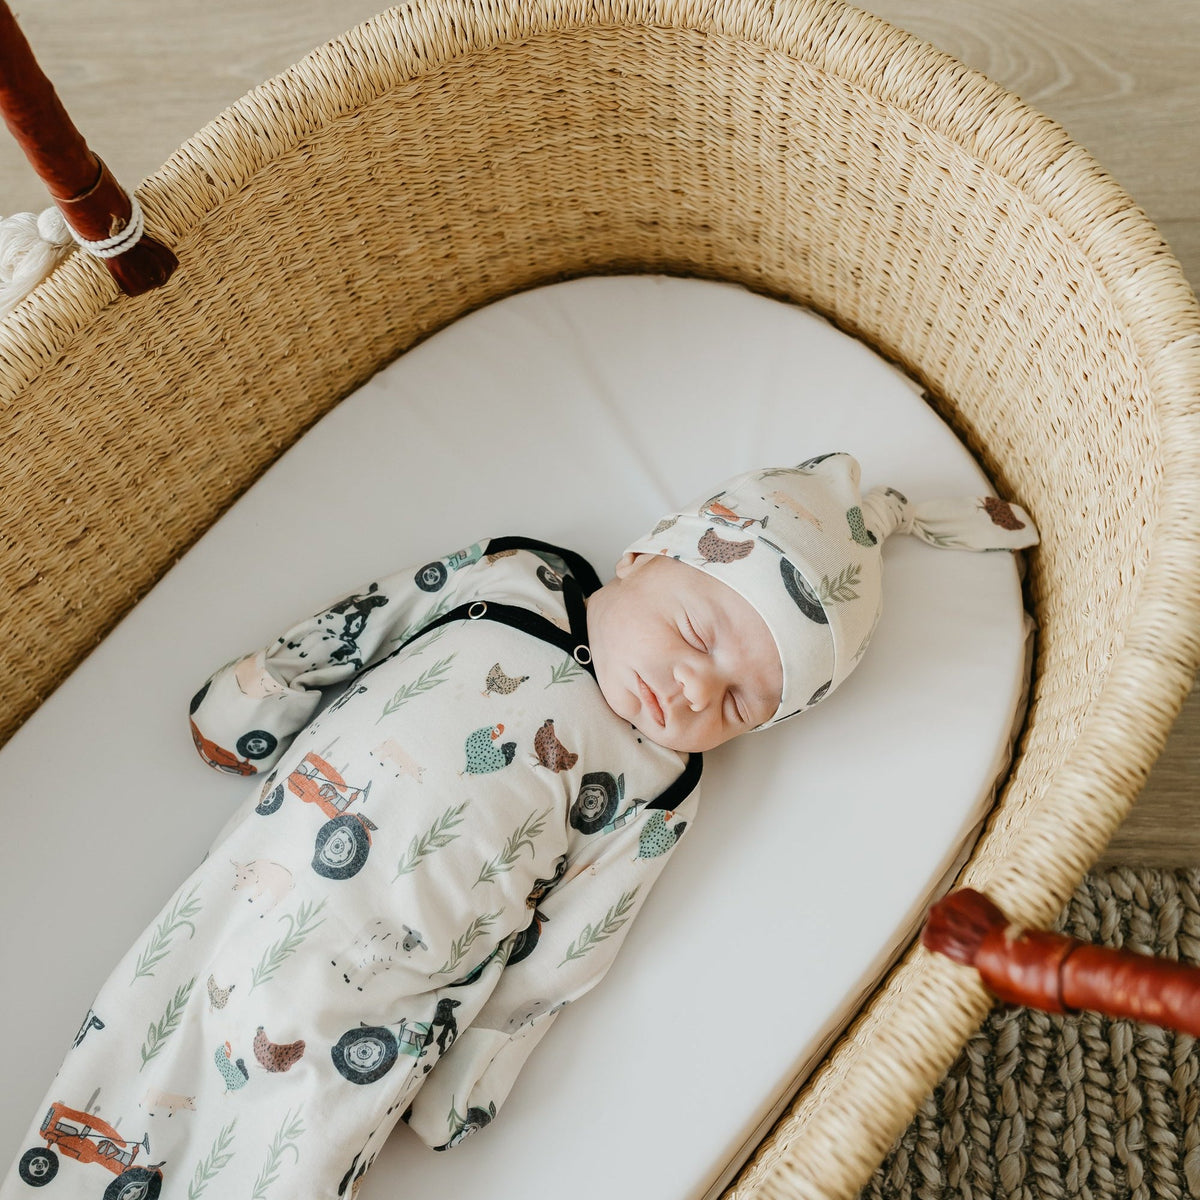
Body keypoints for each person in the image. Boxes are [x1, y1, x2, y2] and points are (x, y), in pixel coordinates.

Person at [1, 453, 1036, 1200]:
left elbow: (575, 943)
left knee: (287, 1156)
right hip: (245, 896)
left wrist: (478, 1065)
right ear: (646, 556)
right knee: (124, 1068)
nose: (692, 691)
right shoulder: (518, 580)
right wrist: (269, 685)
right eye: (697, 633)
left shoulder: (658, 782)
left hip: (387, 1002)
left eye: (736, 704)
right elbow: (384, 614)